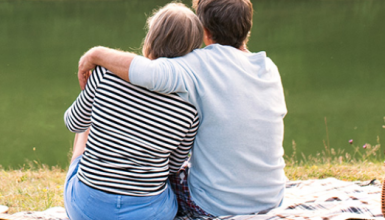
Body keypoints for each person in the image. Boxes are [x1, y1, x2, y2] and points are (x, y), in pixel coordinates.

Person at [77, 0, 288, 217]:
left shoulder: (198, 64)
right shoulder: (268, 68)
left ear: (204, 31)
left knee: (162, 178)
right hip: (272, 199)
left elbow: (147, 71)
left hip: (215, 207)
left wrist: (96, 54)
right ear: (247, 27)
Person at [63, 3, 203, 220]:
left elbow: (73, 123)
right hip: (149, 213)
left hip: (87, 209)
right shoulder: (190, 108)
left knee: (88, 121)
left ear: (151, 38)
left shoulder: (104, 75)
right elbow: (174, 166)